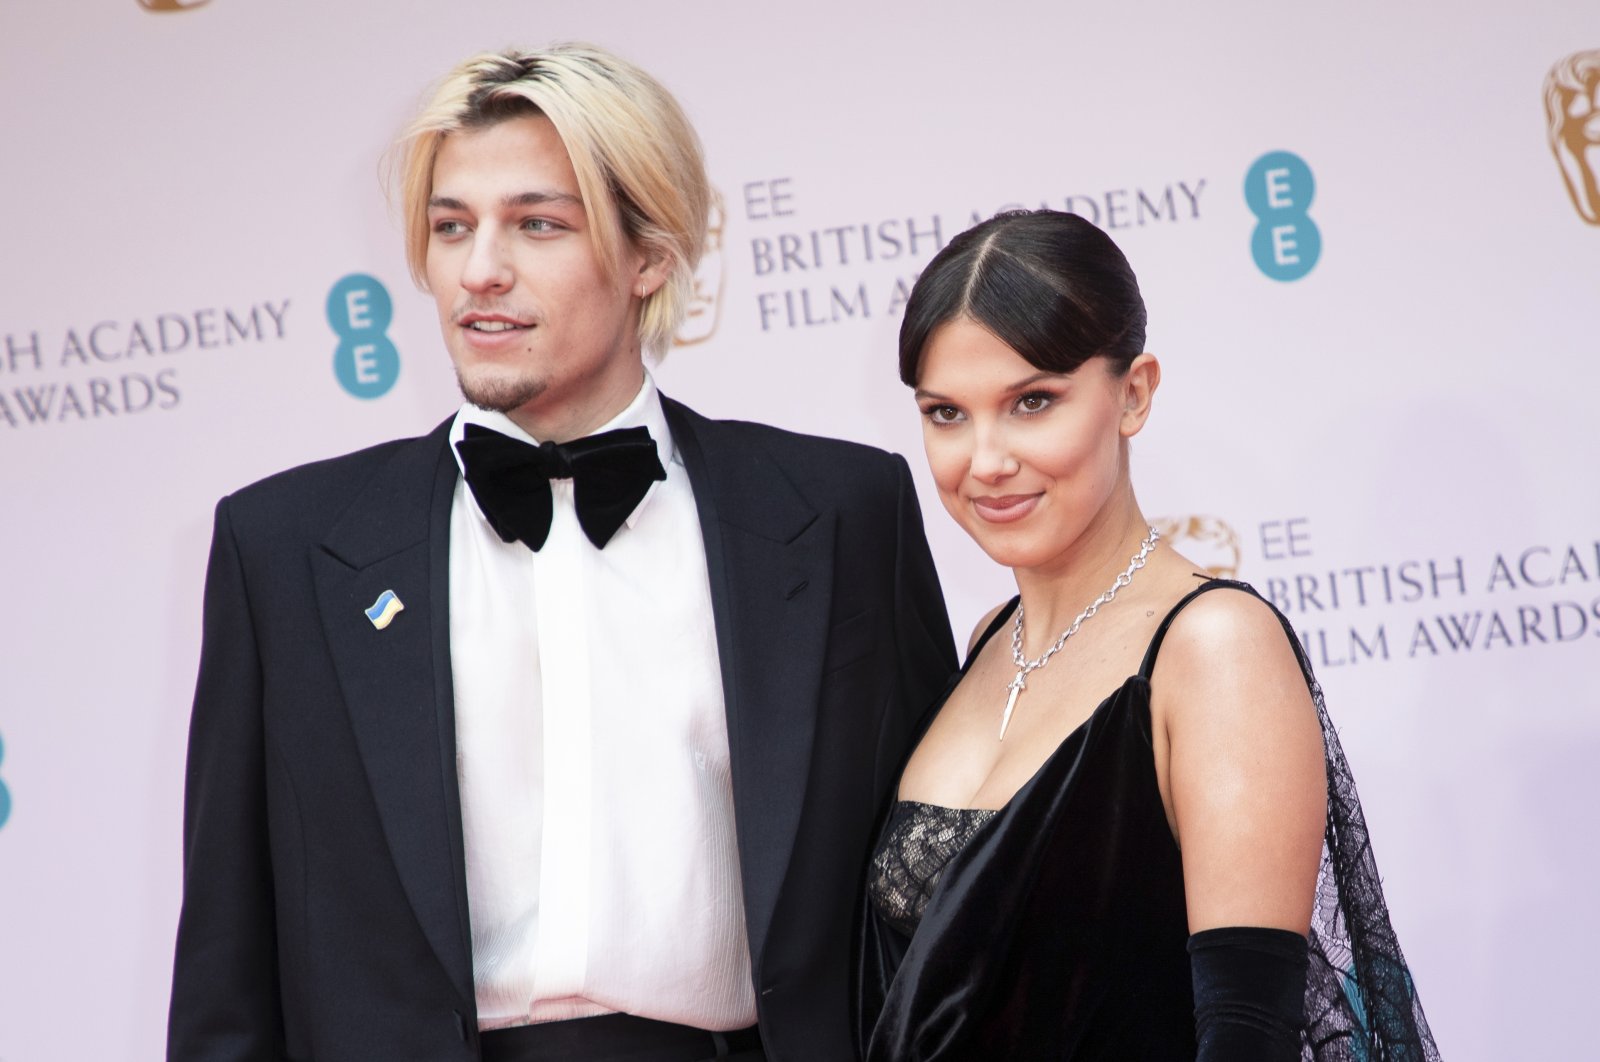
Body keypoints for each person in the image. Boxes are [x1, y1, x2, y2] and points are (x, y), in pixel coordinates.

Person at [167, 44, 955, 1062]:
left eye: (538, 224)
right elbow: (228, 970)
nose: (480, 269)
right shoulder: (282, 549)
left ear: (648, 255)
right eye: (451, 226)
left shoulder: (843, 513)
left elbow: (931, 904)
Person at [855, 209, 1440, 1060]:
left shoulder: (1214, 647)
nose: (983, 460)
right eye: (946, 414)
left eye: (1032, 402)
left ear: (1133, 393)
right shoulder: (989, 641)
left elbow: (1247, 1037)